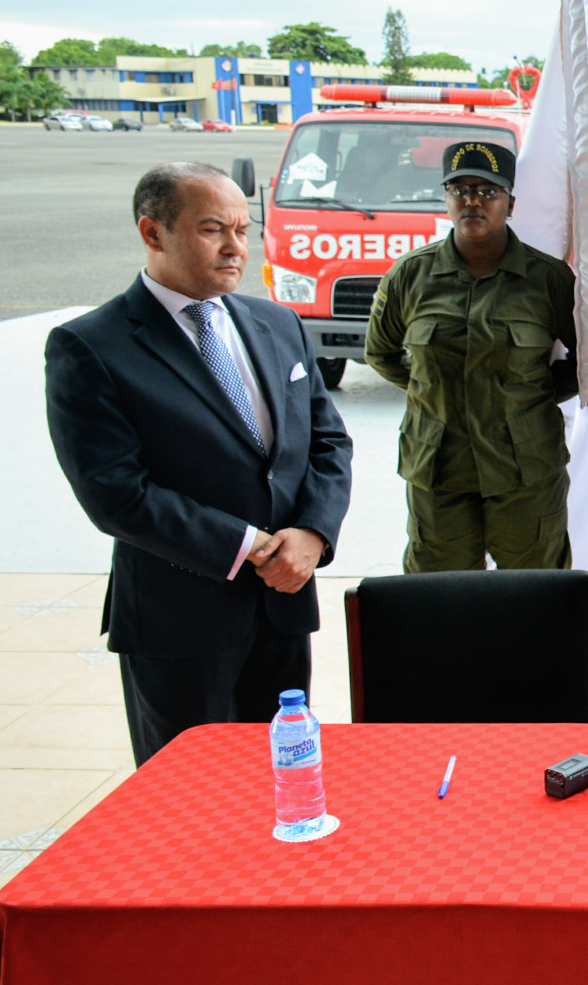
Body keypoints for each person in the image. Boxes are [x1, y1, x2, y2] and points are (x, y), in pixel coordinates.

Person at [45, 162, 353, 765]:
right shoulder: (91, 346)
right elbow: (116, 493)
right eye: (213, 230)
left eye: (242, 229)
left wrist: (314, 533)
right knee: (189, 793)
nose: (235, 247)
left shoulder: (277, 322)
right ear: (152, 232)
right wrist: (248, 546)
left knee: (281, 780)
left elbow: (327, 442)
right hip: (179, 622)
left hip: (283, 606)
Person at [366, 140, 578, 571]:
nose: (473, 202)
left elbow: (587, 362)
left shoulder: (548, 279)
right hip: (438, 468)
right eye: (459, 190)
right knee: (439, 592)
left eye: (488, 192)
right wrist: (435, 390)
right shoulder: (410, 275)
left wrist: (528, 399)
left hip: (526, 469)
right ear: (446, 199)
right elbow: (381, 352)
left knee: (536, 591)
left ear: (510, 204)